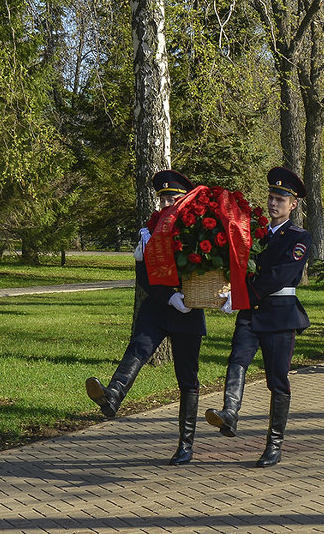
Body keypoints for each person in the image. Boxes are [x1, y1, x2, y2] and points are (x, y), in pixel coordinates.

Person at [85, 170, 206, 466]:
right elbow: (144, 278)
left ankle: (186, 444)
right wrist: (167, 295)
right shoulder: (149, 232)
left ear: (184, 201)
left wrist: (187, 296)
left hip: (188, 311)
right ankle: (112, 396)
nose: (166, 203)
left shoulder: (197, 231)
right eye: (163, 198)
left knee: (186, 378)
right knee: (138, 348)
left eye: (172, 198)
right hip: (158, 306)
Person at [204, 167, 311, 468]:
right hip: (251, 313)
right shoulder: (254, 232)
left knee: (277, 381)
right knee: (237, 358)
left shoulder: (299, 237)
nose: (273, 203)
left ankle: (274, 445)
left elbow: (281, 276)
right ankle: (230, 414)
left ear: (293, 205)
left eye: (280, 199)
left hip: (279, 316)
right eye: (271, 197)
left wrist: (242, 296)